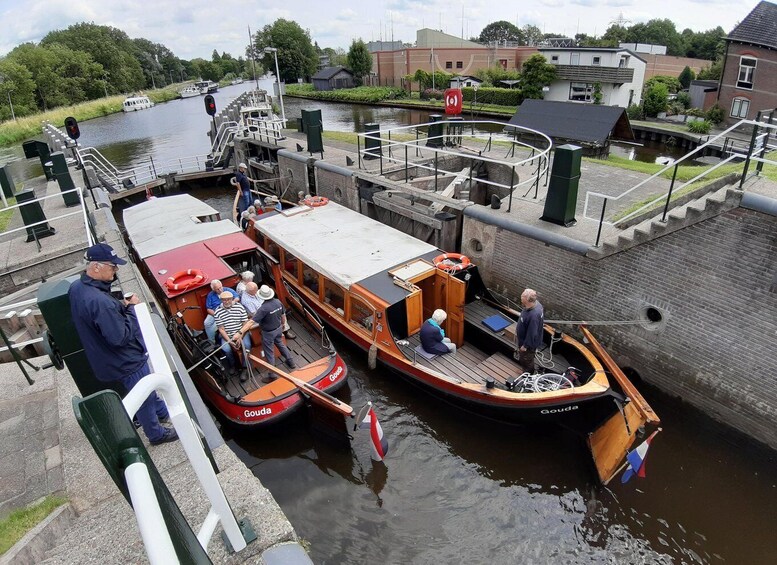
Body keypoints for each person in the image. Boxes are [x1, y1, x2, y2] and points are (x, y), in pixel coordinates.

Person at [68, 243, 178, 446]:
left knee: (147, 387)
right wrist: (131, 310)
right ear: (96, 267)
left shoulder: (76, 288)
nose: (116, 270)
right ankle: (156, 434)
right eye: (113, 266)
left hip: (105, 358)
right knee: (143, 393)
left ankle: (162, 411)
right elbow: (119, 338)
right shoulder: (101, 302)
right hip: (125, 360)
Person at [236, 285, 296, 383]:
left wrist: (240, 332)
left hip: (268, 333)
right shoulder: (278, 302)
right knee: (281, 345)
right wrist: (283, 325)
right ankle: (291, 362)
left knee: (269, 353)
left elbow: (251, 322)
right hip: (278, 329)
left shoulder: (263, 309)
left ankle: (272, 375)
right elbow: (283, 315)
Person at [213, 291, 253, 382]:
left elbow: (245, 324)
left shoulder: (239, 307)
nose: (226, 302)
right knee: (227, 349)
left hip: (241, 333)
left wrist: (240, 336)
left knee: (247, 345)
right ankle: (233, 365)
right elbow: (221, 329)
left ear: (232, 299)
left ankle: (245, 368)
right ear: (221, 300)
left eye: (228, 299)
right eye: (224, 300)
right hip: (227, 335)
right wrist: (230, 341)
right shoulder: (218, 312)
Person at [515, 288, 544, 374]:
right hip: (527, 340)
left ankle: (528, 375)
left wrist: (525, 346)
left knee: (526, 360)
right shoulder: (537, 304)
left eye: (523, 296)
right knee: (527, 358)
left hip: (528, 345)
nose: (521, 296)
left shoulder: (534, 315)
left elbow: (532, 333)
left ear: (527, 300)